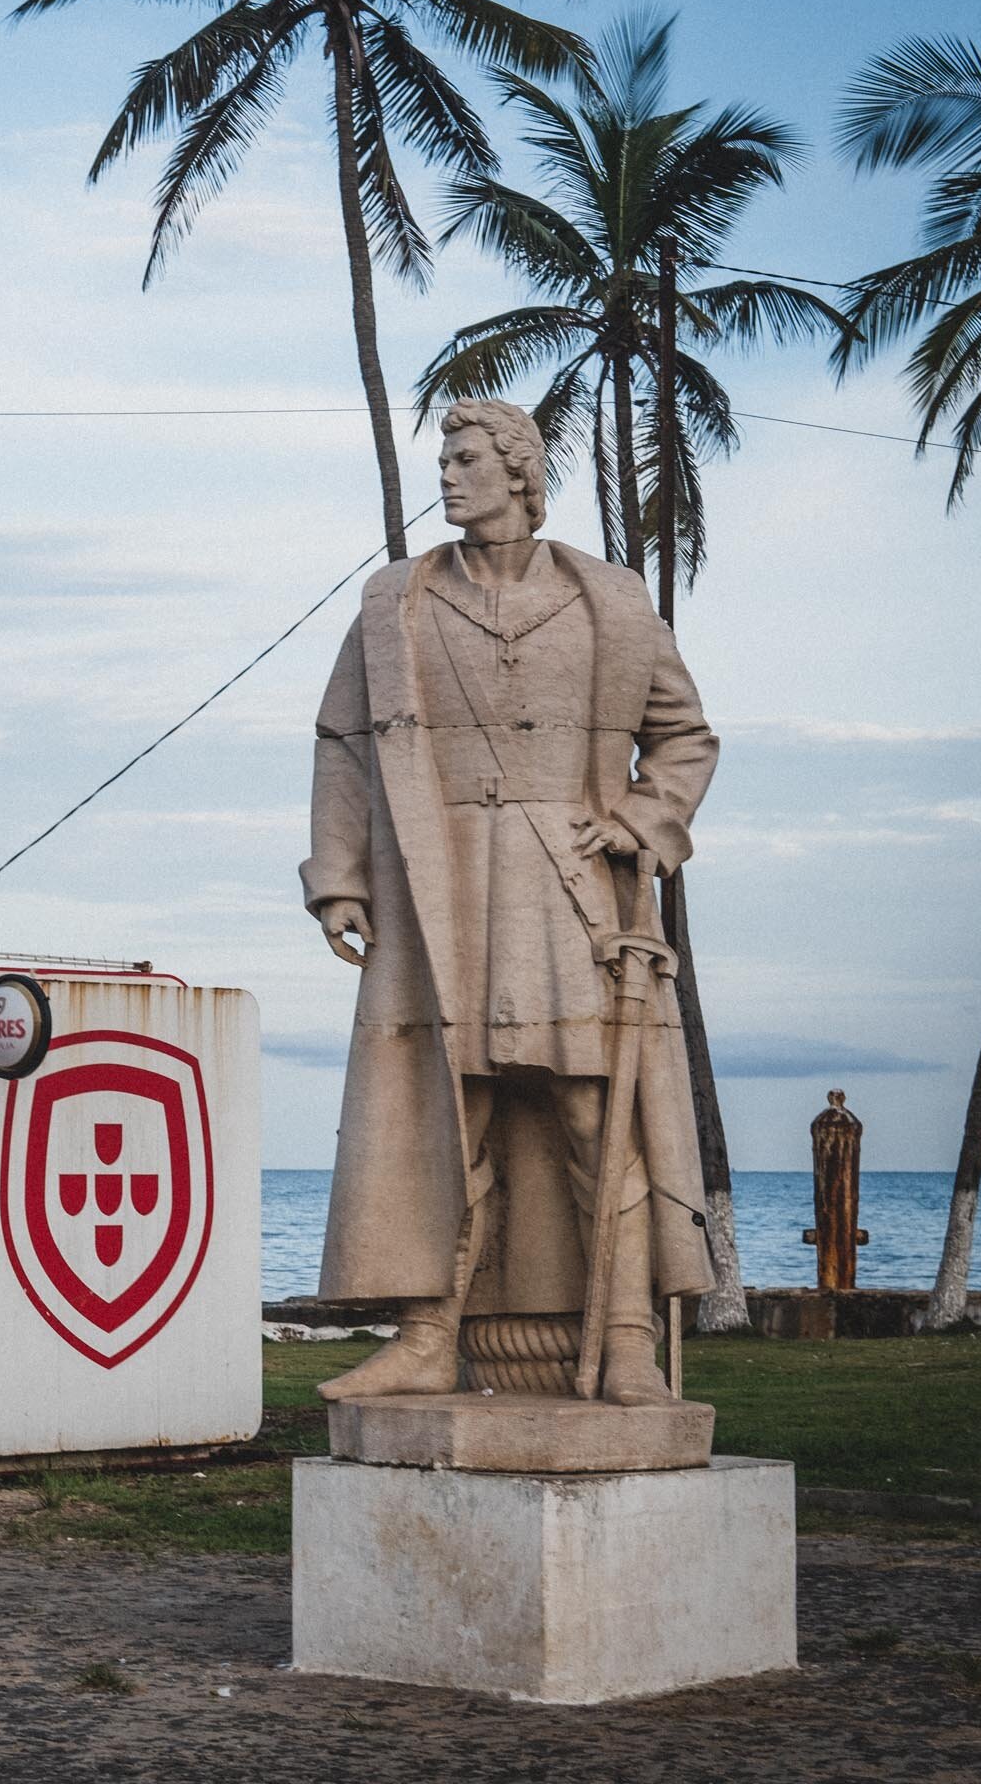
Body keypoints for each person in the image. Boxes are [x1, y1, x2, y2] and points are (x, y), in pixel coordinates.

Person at [301, 399, 718, 1406]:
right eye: (444, 460)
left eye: (468, 460)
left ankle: (622, 1338)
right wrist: (341, 878)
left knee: (589, 1109)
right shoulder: (394, 604)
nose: (448, 477)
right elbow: (345, 746)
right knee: (451, 1109)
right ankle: (428, 1335)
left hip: (568, 882)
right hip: (436, 881)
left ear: (520, 474)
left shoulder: (608, 599)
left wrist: (643, 820)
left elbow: (685, 734)